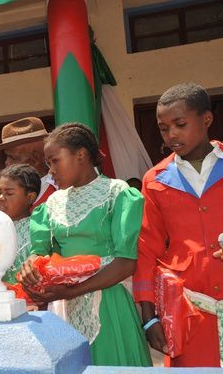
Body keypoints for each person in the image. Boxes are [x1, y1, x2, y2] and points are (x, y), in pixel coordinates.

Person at [133, 82, 223, 367]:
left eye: (180, 124)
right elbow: (146, 249)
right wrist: (149, 317)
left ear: (206, 119)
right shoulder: (154, 180)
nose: (171, 135)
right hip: (189, 310)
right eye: (164, 128)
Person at [19, 123, 152, 367]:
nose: (51, 171)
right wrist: (32, 267)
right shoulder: (51, 204)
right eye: (48, 163)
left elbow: (125, 263)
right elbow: (41, 252)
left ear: (81, 155)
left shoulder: (117, 193)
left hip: (110, 303)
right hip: (64, 308)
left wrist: (71, 291)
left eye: (55, 161)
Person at [0, 117, 57, 209]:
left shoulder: (60, 192)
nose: (7, 163)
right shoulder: (5, 198)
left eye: (13, 157)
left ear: (34, 159)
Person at [0, 164, 41, 285]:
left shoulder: (38, 228)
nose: (1, 198)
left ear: (30, 197)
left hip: (32, 300)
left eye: (9, 193)